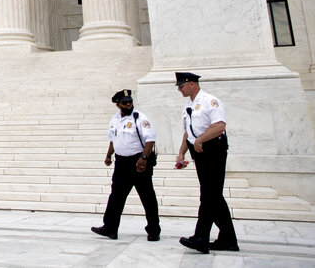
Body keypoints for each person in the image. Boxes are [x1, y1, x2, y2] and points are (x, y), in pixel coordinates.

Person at [175, 71, 239, 253]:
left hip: (213, 151)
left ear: (192, 84)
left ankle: (201, 238)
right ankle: (228, 239)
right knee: (214, 197)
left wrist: (201, 140)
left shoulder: (210, 101)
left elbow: (219, 126)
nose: (179, 89)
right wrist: (181, 153)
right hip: (199, 152)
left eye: (181, 85)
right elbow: (188, 131)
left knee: (209, 196)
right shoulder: (189, 105)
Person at [91, 89, 160, 241]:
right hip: (121, 163)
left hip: (138, 162)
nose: (128, 105)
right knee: (116, 196)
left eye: (130, 102)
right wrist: (109, 155)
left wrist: (144, 157)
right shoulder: (114, 120)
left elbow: (150, 139)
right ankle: (110, 228)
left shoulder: (139, 118)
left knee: (147, 196)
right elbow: (113, 139)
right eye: (125, 103)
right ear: (118, 105)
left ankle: (154, 230)